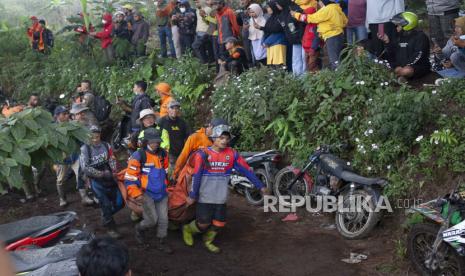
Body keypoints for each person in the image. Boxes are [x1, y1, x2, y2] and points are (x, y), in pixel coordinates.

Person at [182, 120, 266, 253]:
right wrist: (192, 195)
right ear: (214, 137)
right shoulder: (203, 154)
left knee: (219, 223)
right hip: (205, 196)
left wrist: (260, 186)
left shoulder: (232, 154)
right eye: (221, 137)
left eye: (227, 138)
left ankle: (208, 240)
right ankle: (187, 229)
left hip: (220, 196)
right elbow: (197, 176)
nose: (224, 141)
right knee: (203, 223)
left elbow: (245, 170)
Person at [124, 128, 173, 253]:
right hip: (146, 193)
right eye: (153, 142)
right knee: (152, 220)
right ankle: (139, 229)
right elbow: (130, 178)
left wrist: (167, 187)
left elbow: (166, 171)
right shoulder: (138, 156)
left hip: (161, 192)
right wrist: (136, 194)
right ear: (146, 141)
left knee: (163, 219)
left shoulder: (163, 154)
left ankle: (162, 241)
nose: (155, 144)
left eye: (157, 141)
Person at [80, 126, 123, 238]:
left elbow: (112, 158)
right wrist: (101, 174)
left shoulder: (106, 145)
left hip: (110, 178)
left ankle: (106, 217)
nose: (95, 137)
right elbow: (85, 168)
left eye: (97, 134)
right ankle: (111, 228)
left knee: (120, 202)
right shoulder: (85, 149)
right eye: (92, 134)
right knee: (105, 204)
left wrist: (113, 171)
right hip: (96, 181)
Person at [53, 106, 94, 207]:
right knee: (60, 179)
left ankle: (84, 197)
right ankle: (62, 198)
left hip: (75, 155)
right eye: (64, 114)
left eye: (67, 113)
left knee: (81, 174)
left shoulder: (73, 125)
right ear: (58, 116)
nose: (67, 116)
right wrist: (54, 161)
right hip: (61, 159)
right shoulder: (52, 129)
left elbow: (81, 139)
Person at [292, 0, 348, 69]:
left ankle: (339, 77)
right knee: (337, 59)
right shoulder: (337, 8)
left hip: (331, 36)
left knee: (334, 61)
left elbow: (311, 18)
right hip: (339, 35)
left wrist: (296, 15)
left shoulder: (327, 10)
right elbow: (345, 22)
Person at [380, 12, 431, 83]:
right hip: (400, 66)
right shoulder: (398, 36)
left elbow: (419, 56)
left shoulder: (421, 37)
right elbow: (392, 54)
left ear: (407, 25)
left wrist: (403, 66)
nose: (396, 27)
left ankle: (395, 77)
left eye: (398, 25)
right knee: (384, 67)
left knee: (406, 71)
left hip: (418, 66)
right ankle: (401, 78)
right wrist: (387, 42)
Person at [159, 100, 190, 171]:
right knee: (170, 173)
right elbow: (156, 136)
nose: (175, 110)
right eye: (172, 108)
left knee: (180, 172)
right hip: (168, 153)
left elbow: (189, 136)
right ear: (167, 109)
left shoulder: (183, 122)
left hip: (181, 152)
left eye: (177, 108)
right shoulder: (162, 122)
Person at [257, 0, 287, 66]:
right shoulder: (271, 18)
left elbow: (276, 29)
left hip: (278, 43)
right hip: (270, 44)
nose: (267, 9)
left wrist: (262, 28)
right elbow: (267, 30)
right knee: (273, 66)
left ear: (273, 7)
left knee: (279, 65)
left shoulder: (280, 17)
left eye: (269, 7)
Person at [295, 0, 323, 72]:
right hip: (307, 49)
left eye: (306, 16)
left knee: (312, 66)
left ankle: (317, 81)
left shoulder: (315, 25)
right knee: (309, 67)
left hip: (313, 49)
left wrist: (313, 48)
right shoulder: (308, 25)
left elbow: (317, 37)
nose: (304, 18)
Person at [237, 0, 254, 66]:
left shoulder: (254, 7)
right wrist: (237, 16)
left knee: (254, 54)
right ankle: (252, 69)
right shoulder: (241, 9)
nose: (241, 1)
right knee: (248, 54)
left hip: (253, 35)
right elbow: (240, 23)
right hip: (245, 35)